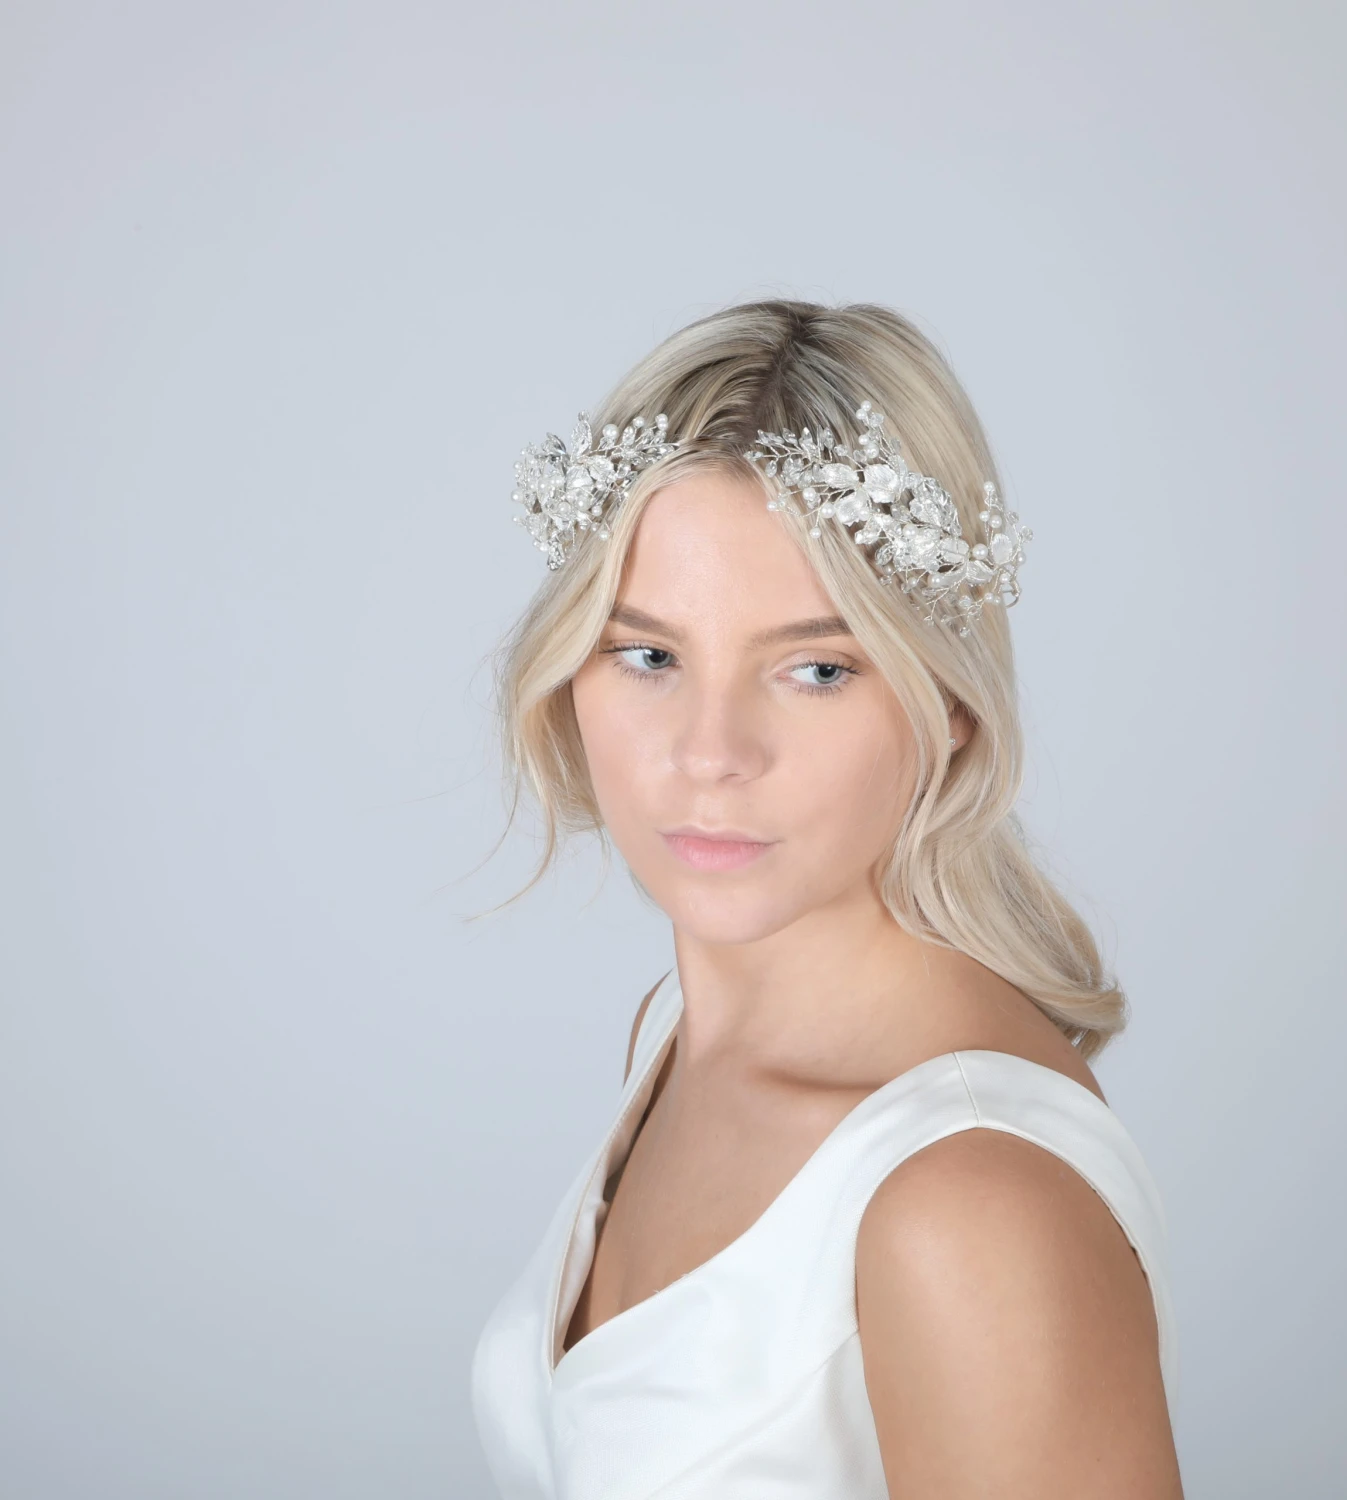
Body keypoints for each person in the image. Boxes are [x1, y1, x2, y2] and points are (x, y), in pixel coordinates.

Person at [471, 300, 1182, 1498]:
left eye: (815, 669)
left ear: (948, 700)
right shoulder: (681, 1033)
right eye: (650, 655)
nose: (712, 753)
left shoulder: (971, 1205)